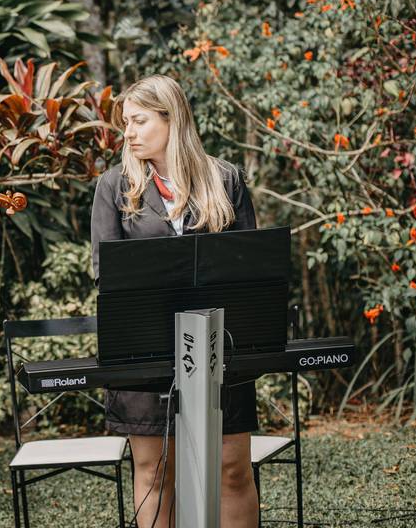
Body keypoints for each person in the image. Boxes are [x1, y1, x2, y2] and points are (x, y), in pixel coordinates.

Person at [91, 75, 259, 528]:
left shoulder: (226, 179)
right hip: (144, 352)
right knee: (154, 471)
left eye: (140, 121)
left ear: (173, 119)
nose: (128, 132)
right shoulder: (113, 186)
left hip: (221, 350)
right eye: (126, 122)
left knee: (232, 469)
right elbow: (106, 275)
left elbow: (252, 271)